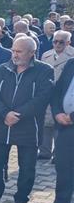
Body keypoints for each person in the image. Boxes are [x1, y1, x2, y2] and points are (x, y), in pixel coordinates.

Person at [0, 35, 54, 203]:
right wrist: (5, 113)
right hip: (1, 124)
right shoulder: (2, 68)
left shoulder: (44, 71)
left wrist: (18, 115)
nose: (15, 54)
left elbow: (42, 98)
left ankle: (21, 200)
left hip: (28, 126)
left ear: (32, 53)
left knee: (27, 166)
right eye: (13, 50)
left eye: (19, 51)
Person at [38, 57, 74, 203]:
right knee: (63, 165)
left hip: (70, 120)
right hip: (65, 125)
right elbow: (58, 90)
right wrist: (57, 112)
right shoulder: (71, 63)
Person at [39, 30, 74, 159]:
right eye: (55, 41)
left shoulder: (72, 57)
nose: (57, 44)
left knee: (59, 123)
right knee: (46, 122)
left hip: (62, 94)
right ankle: (44, 151)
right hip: (47, 91)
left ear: (68, 42)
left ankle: (58, 153)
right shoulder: (46, 55)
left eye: (61, 42)